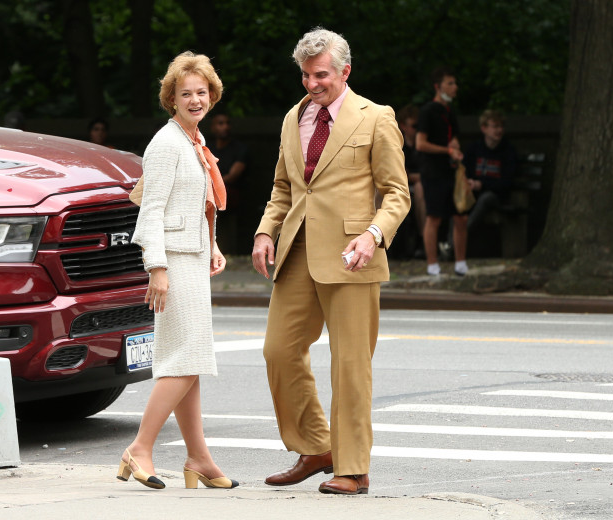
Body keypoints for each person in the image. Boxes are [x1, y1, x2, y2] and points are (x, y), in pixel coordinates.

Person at [252, 28, 410, 495]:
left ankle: (353, 467)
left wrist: (373, 235)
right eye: (304, 75)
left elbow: (397, 194)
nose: (311, 84)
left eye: (320, 74)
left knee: (350, 364)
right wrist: (265, 230)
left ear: (345, 71)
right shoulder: (293, 117)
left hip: (352, 256)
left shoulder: (376, 117)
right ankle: (317, 446)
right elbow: (284, 188)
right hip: (297, 250)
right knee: (278, 351)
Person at [121, 51, 238, 491]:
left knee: (191, 359)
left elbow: (193, 205)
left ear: (212, 95)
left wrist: (213, 246)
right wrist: (157, 268)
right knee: (184, 359)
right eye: (185, 93)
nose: (195, 100)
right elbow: (151, 210)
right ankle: (140, 449)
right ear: (171, 98)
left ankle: (199, 458)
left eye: (201, 92)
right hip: (171, 262)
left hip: (190, 258)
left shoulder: (194, 142)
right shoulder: (167, 143)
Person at [415, 66, 468, 276]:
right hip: (433, 172)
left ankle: (461, 263)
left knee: (461, 217)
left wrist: (455, 149)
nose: (455, 87)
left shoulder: (450, 111)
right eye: (450, 83)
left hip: (451, 171)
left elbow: (454, 136)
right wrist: (447, 150)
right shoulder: (428, 111)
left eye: (455, 83)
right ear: (438, 86)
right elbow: (420, 143)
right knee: (434, 218)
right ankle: (432, 265)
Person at [463, 109, 518, 230]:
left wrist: (482, 184)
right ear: (484, 128)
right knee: (458, 201)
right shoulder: (474, 149)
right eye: (495, 126)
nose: (499, 130)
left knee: (486, 198)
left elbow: (507, 182)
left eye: (501, 126)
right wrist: (470, 182)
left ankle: (458, 239)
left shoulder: (508, 151)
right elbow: (464, 171)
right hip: (473, 193)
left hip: (497, 196)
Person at [207, 112, 248, 254]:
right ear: (213, 127)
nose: (225, 127)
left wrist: (212, 185)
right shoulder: (207, 148)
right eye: (220, 123)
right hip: (209, 193)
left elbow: (233, 175)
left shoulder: (239, 149)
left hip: (231, 194)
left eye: (227, 123)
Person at [397, 103, 426, 257]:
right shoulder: (397, 144)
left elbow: (427, 173)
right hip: (400, 187)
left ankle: (423, 240)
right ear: (403, 126)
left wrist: (410, 176)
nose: (418, 129)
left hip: (421, 188)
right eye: (414, 126)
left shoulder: (423, 145)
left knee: (421, 188)